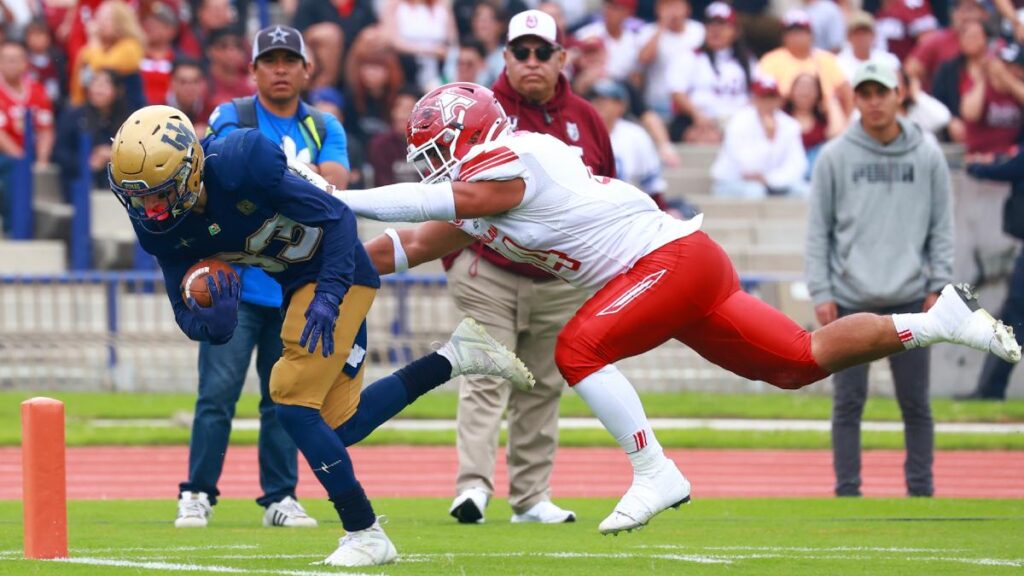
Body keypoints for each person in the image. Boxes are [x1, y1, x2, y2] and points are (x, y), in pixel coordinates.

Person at [325, 80, 1020, 534]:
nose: (432, 164)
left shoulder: (514, 161)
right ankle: (938, 322)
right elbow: (409, 243)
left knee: (577, 349)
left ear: (473, 134)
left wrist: (338, 196)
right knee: (799, 362)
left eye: (438, 150)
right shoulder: (484, 192)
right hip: (685, 263)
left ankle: (655, 471)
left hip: (667, 262)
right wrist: (311, 247)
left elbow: (445, 201)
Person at [107, 104, 533, 565]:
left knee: (289, 398)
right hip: (299, 287)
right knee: (337, 426)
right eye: (138, 197)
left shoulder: (241, 163)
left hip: (338, 270)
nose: (150, 209)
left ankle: (365, 531)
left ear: (191, 171)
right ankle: (455, 356)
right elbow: (183, 313)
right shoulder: (158, 227)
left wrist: (329, 294)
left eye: (160, 194)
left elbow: (337, 219)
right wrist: (216, 324)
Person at [172, 24, 352, 531]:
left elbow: (336, 186)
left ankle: (281, 496)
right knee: (217, 394)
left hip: (292, 286)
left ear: (306, 69)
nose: (280, 69)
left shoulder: (326, 124)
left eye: (289, 60)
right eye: (270, 61)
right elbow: (222, 167)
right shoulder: (231, 114)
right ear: (252, 70)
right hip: (235, 284)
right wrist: (295, 180)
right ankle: (197, 492)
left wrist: (269, 179)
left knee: (284, 399)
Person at [442, 9, 616, 526]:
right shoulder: (481, 111)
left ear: (562, 58)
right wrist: (455, 254)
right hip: (489, 268)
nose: (532, 61)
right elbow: (447, 184)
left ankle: (531, 497)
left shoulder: (586, 117)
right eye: (522, 52)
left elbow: (607, 189)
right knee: (487, 373)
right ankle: (472, 488)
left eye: (543, 52)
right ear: (506, 57)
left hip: (558, 277)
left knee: (542, 384)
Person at [807, 61, 953, 498]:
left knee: (915, 402)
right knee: (848, 402)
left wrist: (939, 284)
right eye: (865, 94)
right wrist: (822, 289)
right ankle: (847, 492)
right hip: (851, 297)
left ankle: (922, 492)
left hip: (911, 297)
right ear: (855, 100)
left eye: (881, 93)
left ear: (898, 94)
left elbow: (942, 226)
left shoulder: (927, 154)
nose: (874, 103)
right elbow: (819, 229)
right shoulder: (835, 156)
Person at [711, 76, 809, 198]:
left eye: (771, 98)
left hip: (772, 182)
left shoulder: (790, 125)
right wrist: (769, 138)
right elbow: (748, 166)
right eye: (763, 98)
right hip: (732, 181)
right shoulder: (739, 121)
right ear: (754, 99)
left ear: (779, 100)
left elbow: (798, 165)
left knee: (805, 191)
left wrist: (770, 180)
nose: (767, 103)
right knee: (755, 192)